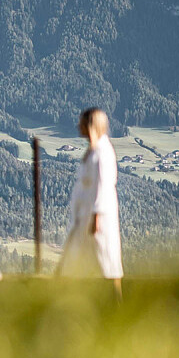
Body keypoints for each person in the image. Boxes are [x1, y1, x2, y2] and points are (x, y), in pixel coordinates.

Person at [56, 107, 123, 300]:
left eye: (83, 123)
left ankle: (115, 304)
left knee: (106, 263)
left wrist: (97, 215)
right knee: (78, 260)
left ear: (91, 125)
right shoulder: (94, 150)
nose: (79, 126)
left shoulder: (103, 152)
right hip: (85, 216)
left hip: (96, 219)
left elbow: (104, 184)